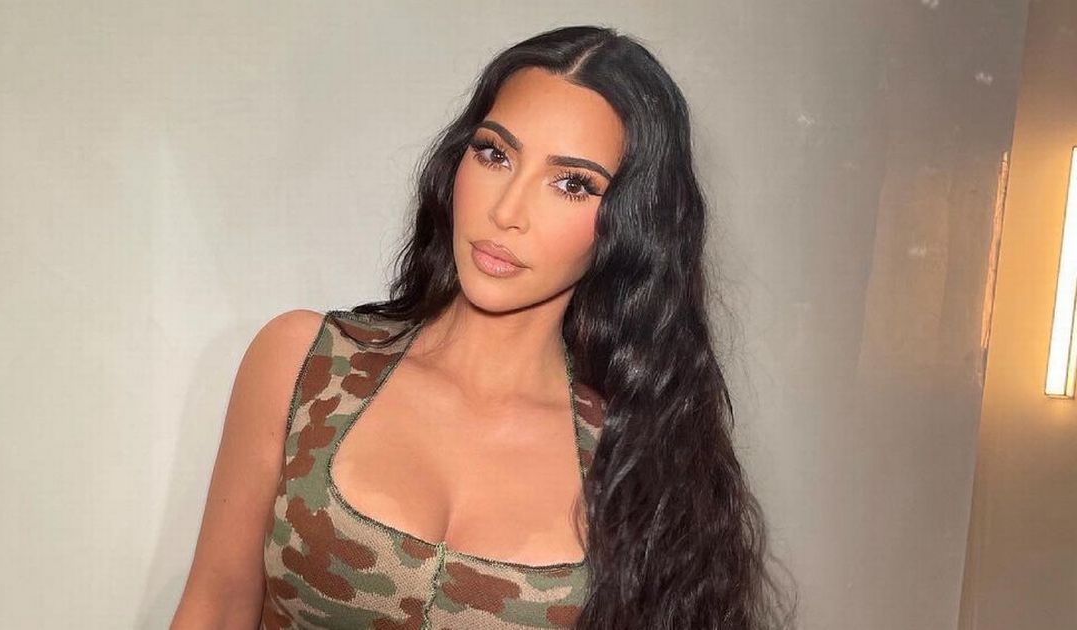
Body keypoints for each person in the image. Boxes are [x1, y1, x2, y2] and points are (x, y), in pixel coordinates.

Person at [171, 24, 796, 630]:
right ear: (457, 161)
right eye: (495, 153)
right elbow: (214, 609)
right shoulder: (303, 363)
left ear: (633, 224)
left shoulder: (639, 456)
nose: (506, 210)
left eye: (572, 184)